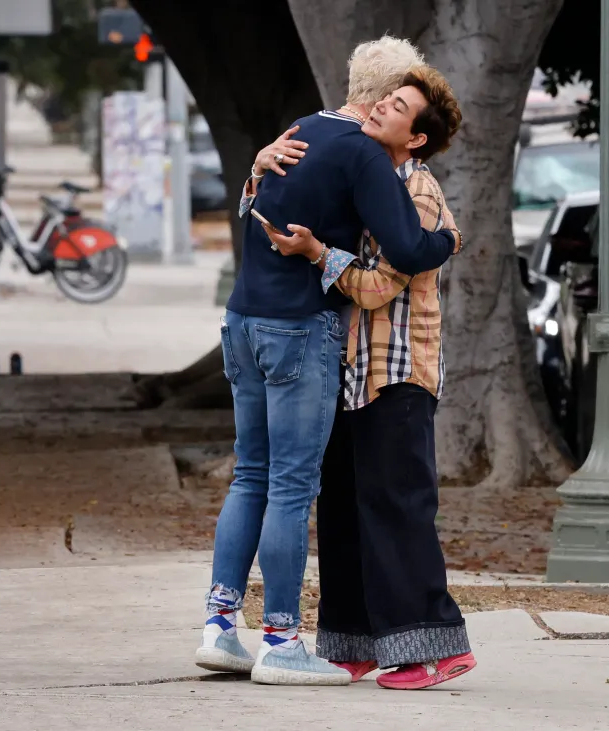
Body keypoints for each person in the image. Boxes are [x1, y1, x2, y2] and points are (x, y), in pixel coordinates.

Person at [194, 35, 461, 686]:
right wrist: (447, 240)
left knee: (249, 475)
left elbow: (255, 201)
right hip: (297, 330)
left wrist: (258, 167)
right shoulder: (365, 156)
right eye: (398, 96)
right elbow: (406, 247)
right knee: (289, 485)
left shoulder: (300, 130)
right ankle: (282, 639)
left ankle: (221, 628)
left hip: (241, 319)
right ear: (385, 96)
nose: (392, 110)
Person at [261, 66, 475, 690]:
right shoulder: (368, 175)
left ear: (416, 138)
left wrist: (319, 256)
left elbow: (382, 286)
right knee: (345, 509)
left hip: (399, 371)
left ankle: (435, 649)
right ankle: (353, 644)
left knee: (398, 508)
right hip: (350, 370)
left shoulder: (418, 192)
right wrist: (263, 159)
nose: (382, 107)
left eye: (399, 106)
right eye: (387, 98)